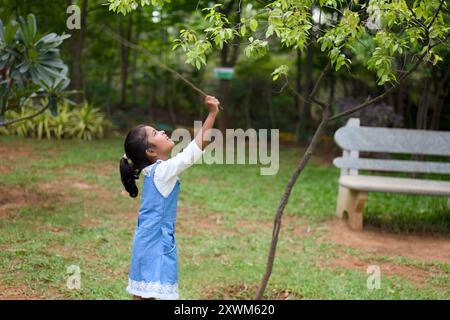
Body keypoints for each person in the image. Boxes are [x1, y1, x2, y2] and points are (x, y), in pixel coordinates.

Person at [119, 95, 220, 299]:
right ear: (150, 150)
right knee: (149, 294)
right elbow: (193, 152)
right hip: (156, 242)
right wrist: (212, 113)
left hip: (146, 240)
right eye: (155, 133)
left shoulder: (153, 172)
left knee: (143, 294)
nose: (162, 132)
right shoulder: (162, 172)